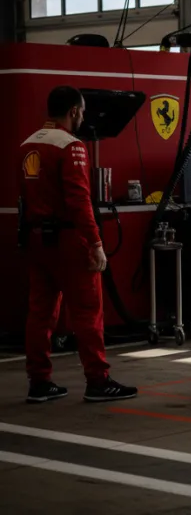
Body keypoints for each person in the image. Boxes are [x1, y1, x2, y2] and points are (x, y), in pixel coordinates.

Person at [19, 86, 137, 403]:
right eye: (82, 112)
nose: (82, 118)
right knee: (87, 312)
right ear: (73, 111)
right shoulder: (71, 146)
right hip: (70, 241)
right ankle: (98, 381)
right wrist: (95, 243)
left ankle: (39, 381)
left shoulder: (27, 144)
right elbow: (79, 201)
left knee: (40, 314)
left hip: (35, 240)